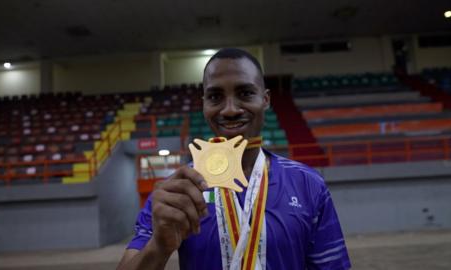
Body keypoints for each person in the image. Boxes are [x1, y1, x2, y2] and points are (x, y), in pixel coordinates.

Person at [117, 48, 351, 270]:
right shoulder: (176, 193)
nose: (229, 109)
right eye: (215, 96)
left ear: (265, 99)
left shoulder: (308, 184)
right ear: (204, 105)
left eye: (245, 93)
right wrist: (158, 247)